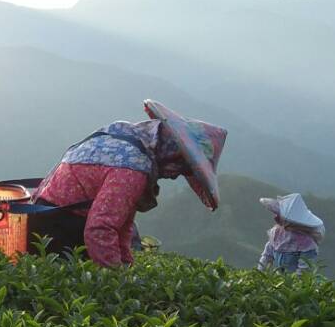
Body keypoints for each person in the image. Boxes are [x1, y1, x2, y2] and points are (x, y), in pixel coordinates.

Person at [29, 99, 226, 267]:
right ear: (173, 154)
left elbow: (122, 224)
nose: (175, 175)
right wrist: (118, 279)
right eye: (181, 167)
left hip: (45, 216)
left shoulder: (126, 139)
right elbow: (101, 228)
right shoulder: (132, 168)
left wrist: (127, 264)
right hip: (56, 233)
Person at [258, 193, 323, 273]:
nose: (275, 217)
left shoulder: (306, 242)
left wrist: (293, 284)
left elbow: (303, 270)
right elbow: (267, 255)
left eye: (278, 214)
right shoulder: (277, 233)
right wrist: (260, 274)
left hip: (294, 282)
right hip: (280, 280)